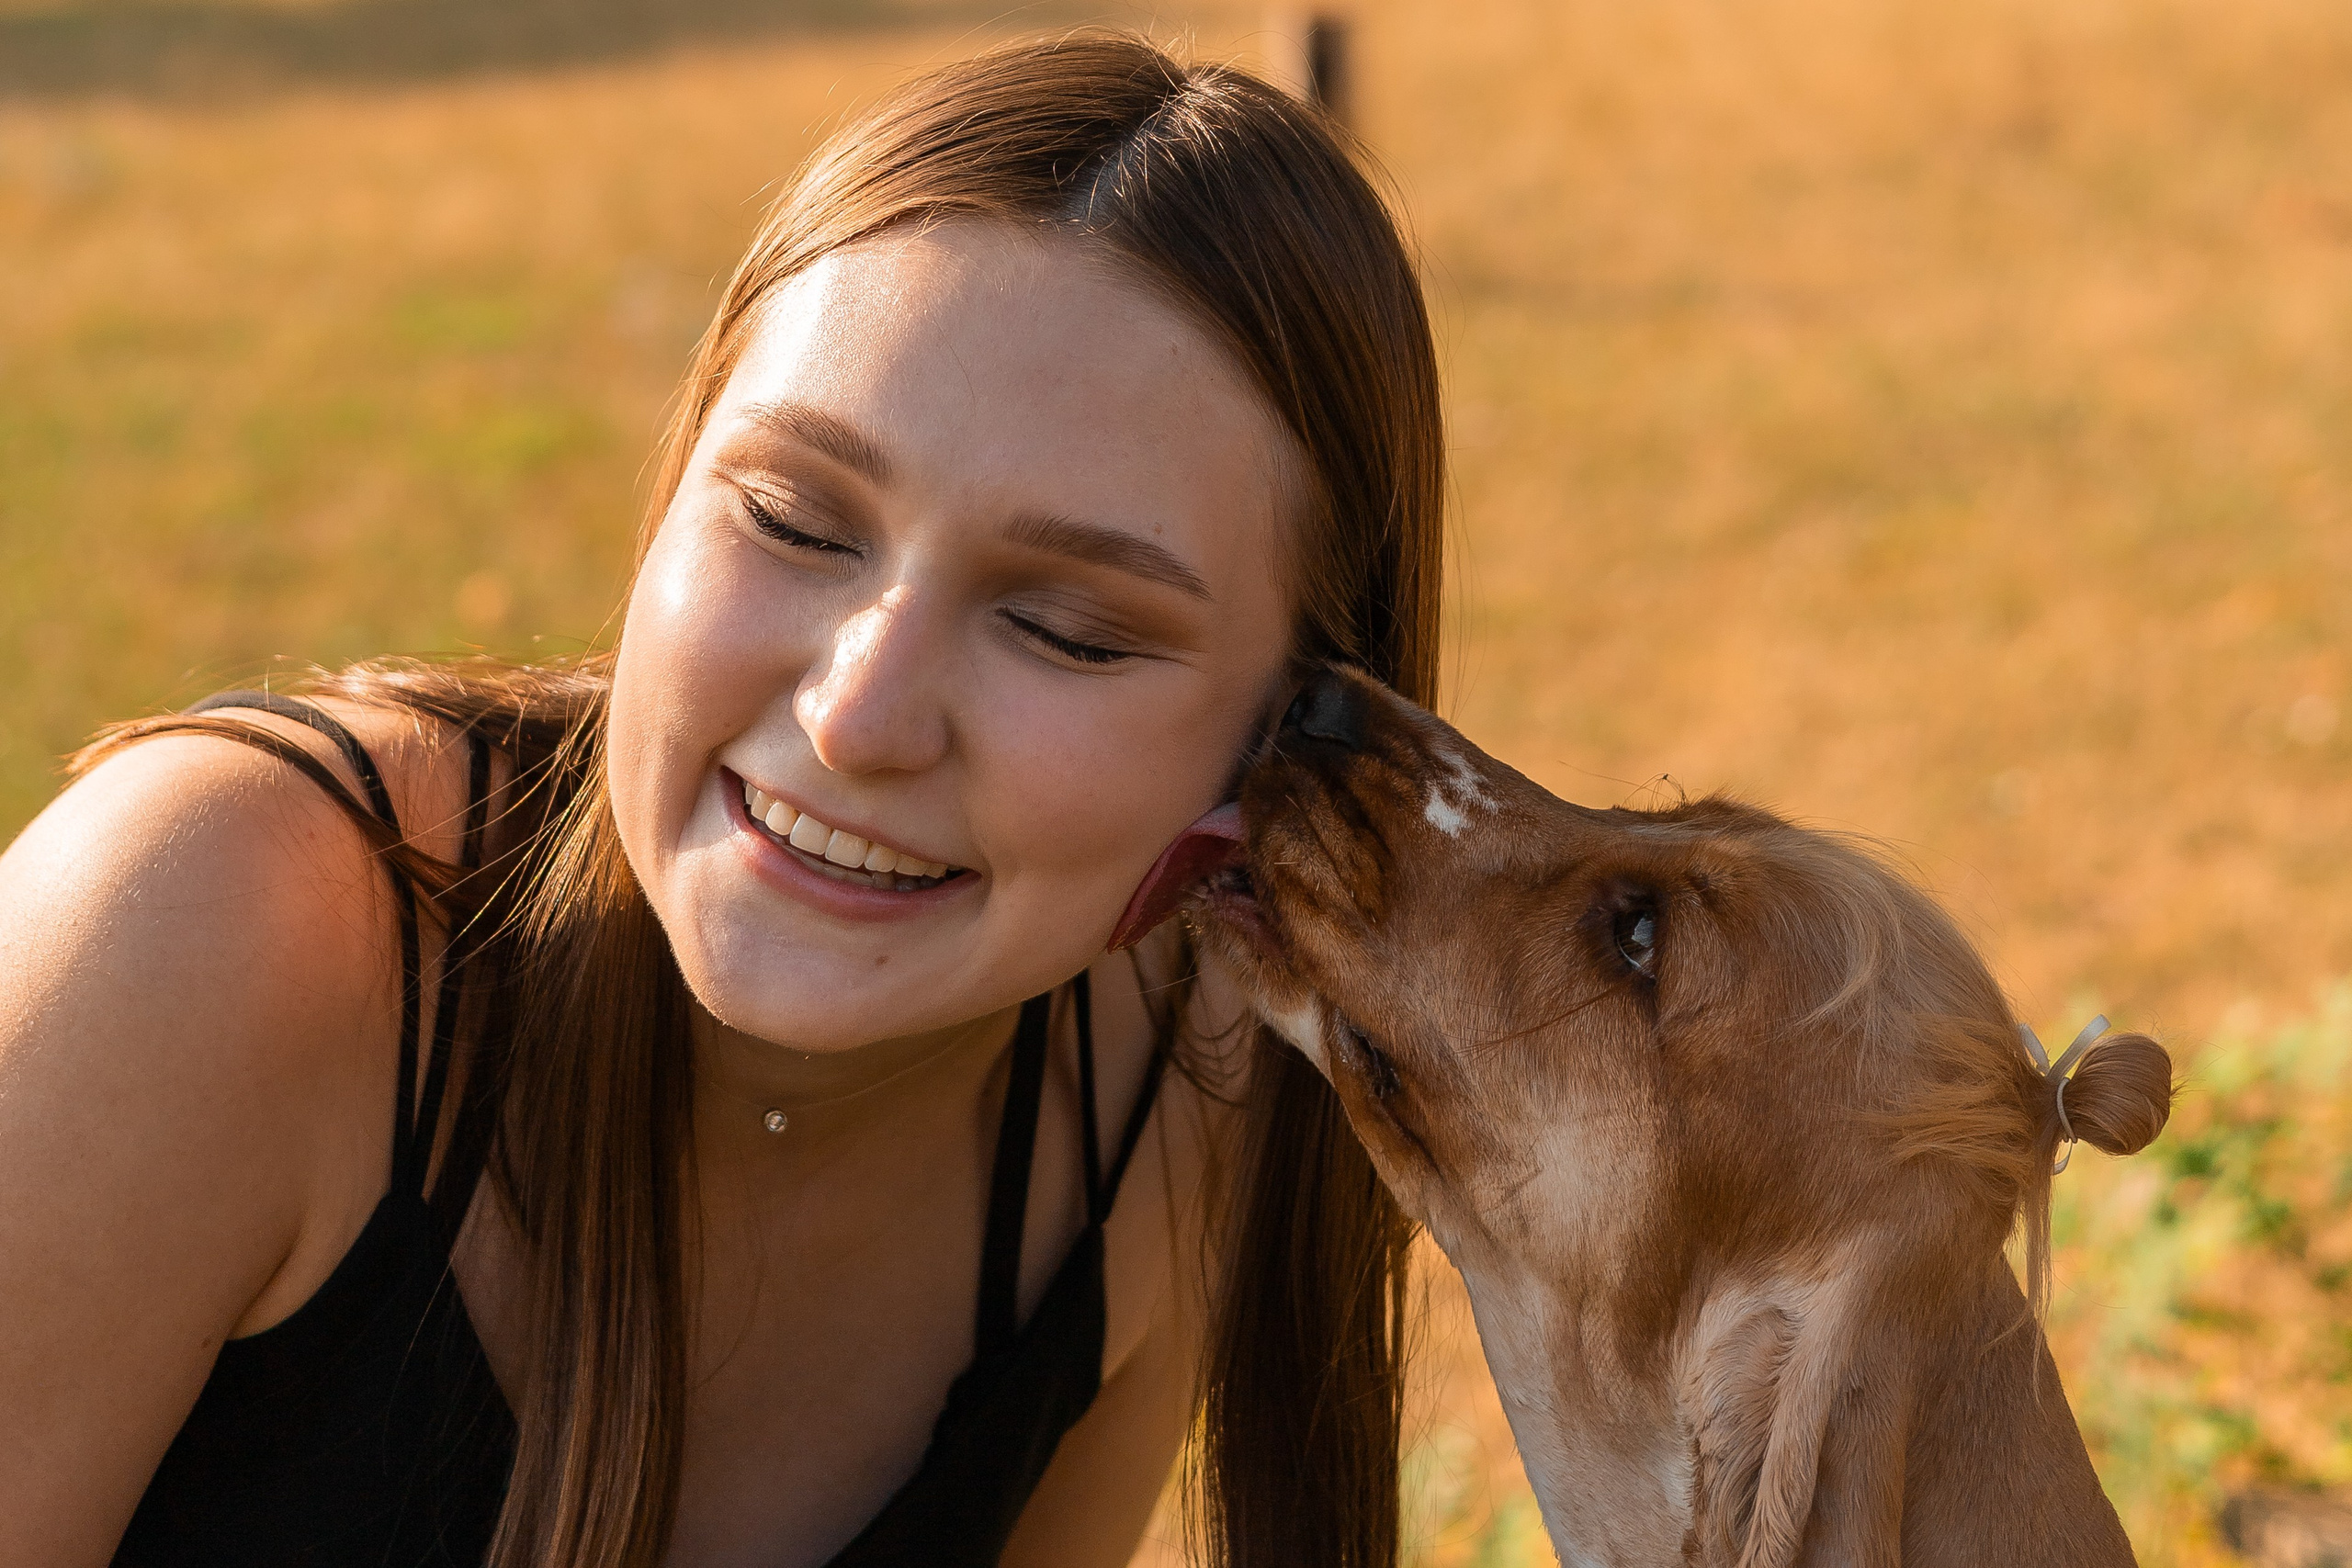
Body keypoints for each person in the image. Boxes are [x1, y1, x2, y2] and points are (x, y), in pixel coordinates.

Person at [0, 30, 1444, 1568]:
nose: (857, 714)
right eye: (795, 519)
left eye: (1066, 630)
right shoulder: (225, 921)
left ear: (1288, 743)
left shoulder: (1163, 1107)